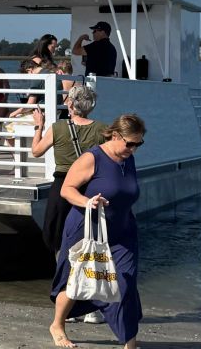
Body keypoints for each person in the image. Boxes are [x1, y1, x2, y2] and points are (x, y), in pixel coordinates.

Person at [47, 114, 145, 349]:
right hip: (86, 229)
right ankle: (57, 325)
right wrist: (87, 201)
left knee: (125, 283)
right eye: (130, 143)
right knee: (76, 280)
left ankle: (129, 343)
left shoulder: (127, 158)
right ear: (115, 135)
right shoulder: (93, 158)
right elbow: (67, 189)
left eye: (138, 144)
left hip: (122, 231)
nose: (133, 149)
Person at [30, 85, 107, 255]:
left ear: (70, 104)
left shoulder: (58, 128)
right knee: (85, 229)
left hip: (62, 184)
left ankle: (63, 270)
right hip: (89, 185)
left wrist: (39, 126)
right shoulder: (102, 129)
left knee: (57, 234)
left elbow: (36, 151)